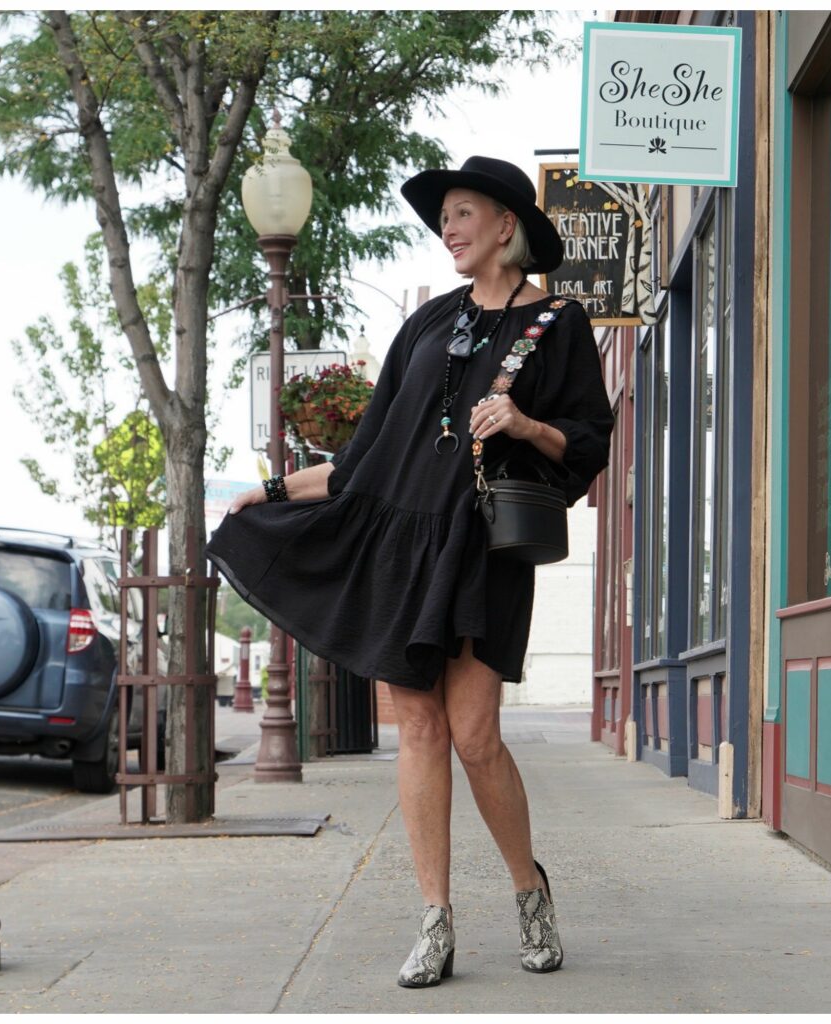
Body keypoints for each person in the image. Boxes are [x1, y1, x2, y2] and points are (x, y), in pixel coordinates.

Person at [207, 156, 614, 987]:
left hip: (483, 547)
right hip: (404, 548)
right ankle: (435, 918)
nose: (448, 229)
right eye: (443, 219)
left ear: (508, 225)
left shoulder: (559, 323)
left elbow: (587, 444)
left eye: (463, 214)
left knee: (474, 734)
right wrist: (274, 489)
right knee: (419, 728)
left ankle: (528, 889)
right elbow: (365, 456)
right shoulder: (429, 321)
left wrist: (524, 422)